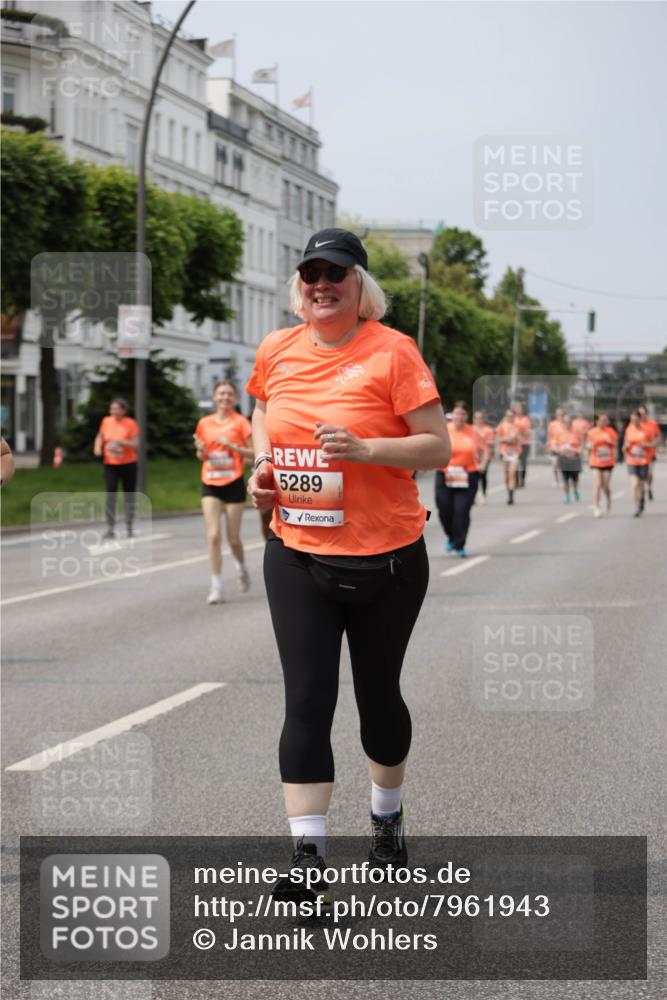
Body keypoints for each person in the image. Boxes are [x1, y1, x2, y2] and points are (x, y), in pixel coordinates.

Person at [245, 228, 449, 902]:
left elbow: (435, 448)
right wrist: (263, 467)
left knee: (377, 699)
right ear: (297, 288)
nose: (321, 284)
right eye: (310, 274)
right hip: (297, 551)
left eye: (335, 273)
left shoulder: (394, 351)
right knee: (306, 699)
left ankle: (386, 819)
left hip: (387, 558)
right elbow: (263, 412)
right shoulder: (275, 348)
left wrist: (365, 450)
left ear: (362, 286)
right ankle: (308, 856)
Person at [194, 380, 253, 603]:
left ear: (235, 398)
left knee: (233, 538)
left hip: (234, 481)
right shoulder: (204, 423)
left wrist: (234, 447)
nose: (225, 397)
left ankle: (241, 567)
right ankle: (216, 586)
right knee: (213, 536)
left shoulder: (241, 423)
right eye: (221, 394)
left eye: (229, 394)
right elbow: (201, 454)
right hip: (210, 481)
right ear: (214, 397)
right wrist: (200, 450)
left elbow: (254, 451)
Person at [436, 402, 480, 557]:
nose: (459, 417)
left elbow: (483, 450)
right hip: (445, 474)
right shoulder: (443, 430)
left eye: (462, 414)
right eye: (456, 413)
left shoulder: (473, 432)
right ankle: (451, 536)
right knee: (444, 510)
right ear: (452, 415)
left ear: (466, 416)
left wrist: (483, 462)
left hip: (468, 475)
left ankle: (459, 544)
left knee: (461, 511)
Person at [93, 398, 140, 539]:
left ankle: (129, 525)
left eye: (116, 409)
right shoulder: (106, 421)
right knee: (111, 494)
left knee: (128, 495)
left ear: (123, 410)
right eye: (111, 408)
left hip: (128, 464)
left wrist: (122, 442)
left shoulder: (130, 423)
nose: (113, 411)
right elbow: (100, 436)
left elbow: (136, 444)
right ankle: (110, 527)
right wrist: (97, 447)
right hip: (111, 464)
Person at [586, 412, 618, 516]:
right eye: (603, 420)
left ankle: (608, 499)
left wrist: (610, 442)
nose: (605, 422)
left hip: (608, 461)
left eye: (606, 420)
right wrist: (589, 447)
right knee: (597, 484)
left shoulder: (610, 431)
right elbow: (587, 446)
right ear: (597, 421)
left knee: (605, 486)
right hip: (596, 461)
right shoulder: (592, 432)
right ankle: (597, 507)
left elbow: (616, 444)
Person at [623, 410, 652, 517]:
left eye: (635, 419)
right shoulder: (628, 430)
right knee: (634, 484)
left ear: (640, 419)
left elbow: (654, 443)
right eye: (632, 420)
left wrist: (646, 444)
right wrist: (625, 447)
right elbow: (625, 445)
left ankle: (642, 500)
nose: (633, 421)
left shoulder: (647, 430)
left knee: (641, 485)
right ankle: (637, 506)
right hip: (632, 460)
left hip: (644, 460)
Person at [496, 408, 522, 504]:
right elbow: (498, 439)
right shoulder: (502, 426)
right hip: (504, 452)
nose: (509, 417)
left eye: (511, 416)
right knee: (506, 475)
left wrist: (514, 440)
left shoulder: (518, 427)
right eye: (507, 416)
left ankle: (511, 497)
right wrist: (506, 439)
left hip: (515, 452)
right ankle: (509, 491)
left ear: (514, 417)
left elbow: (520, 439)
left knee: (512, 473)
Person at [555, 413, 582, 503]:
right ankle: (567, 496)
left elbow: (580, 444)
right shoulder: (559, 433)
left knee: (574, 479)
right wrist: (560, 450)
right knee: (565, 479)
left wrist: (575, 451)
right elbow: (556, 444)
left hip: (574, 458)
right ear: (563, 423)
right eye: (566, 421)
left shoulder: (576, 432)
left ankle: (575, 490)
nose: (567, 423)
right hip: (563, 458)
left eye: (569, 421)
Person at [637, 404, 661, 501]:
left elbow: (657, 437)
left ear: (646, 414)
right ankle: (641, 491)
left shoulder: (652, 424)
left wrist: (651, 444)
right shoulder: (635, 424)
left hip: (650, 453)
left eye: (643, 413)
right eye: (639, 413)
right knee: (639, 476)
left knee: (649, 473)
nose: (641, 415)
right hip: (637, 455)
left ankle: (649, 487)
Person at [472, 410, 495, 504]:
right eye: (476, 418)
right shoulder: (471, 429)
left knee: (483, 476)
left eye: (480, 418)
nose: (478, 420)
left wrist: (483, 439)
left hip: (485, 456)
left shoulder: (488, 429)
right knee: (474, 477)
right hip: (473, 456)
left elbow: (492, 442)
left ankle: (484, 494)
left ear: (483, 419)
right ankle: (473, 496)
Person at [512, 401, 532, 488]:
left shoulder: (526, 419)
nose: (518, 409)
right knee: (515, 462)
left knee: (523, 462)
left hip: (524, 443)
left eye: (520, 408)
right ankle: (515, 480)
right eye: (517, 408)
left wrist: (521, 436)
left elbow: (528, 431)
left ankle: (522, 480)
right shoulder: (512, 419)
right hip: (515, 444)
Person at [547, 407, 565, 487]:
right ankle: (556, 480)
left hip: (563, 446)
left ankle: (563, 480)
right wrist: (548, 446)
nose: (559, 415)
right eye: (558, 414)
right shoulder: (552, 424)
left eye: (561, 414)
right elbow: (549, 435)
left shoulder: (565, 424)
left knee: (562, 465)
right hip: (554, 446)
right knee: (554, 464)